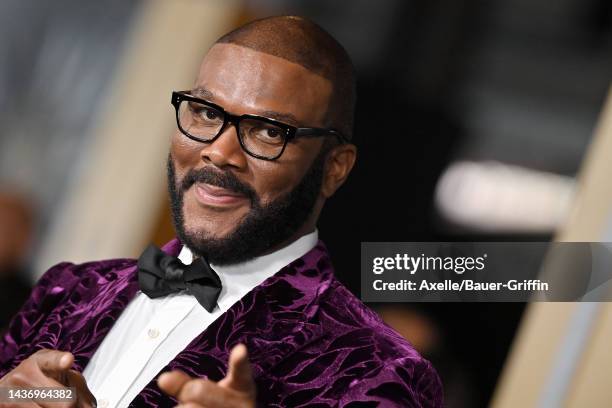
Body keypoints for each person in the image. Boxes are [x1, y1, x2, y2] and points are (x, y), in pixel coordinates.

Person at [0, 16, 443, 407]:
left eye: (270, 131)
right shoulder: (67, 290)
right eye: (206, 112)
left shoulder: (379, 373)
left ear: (334, 168)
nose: (220, 151)